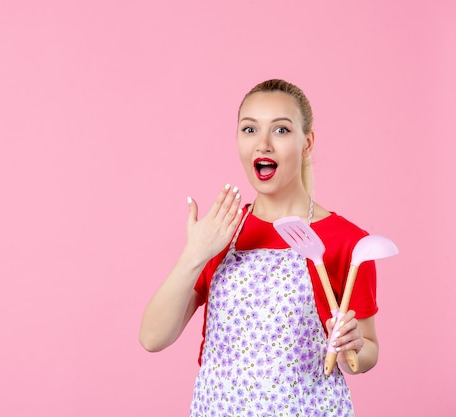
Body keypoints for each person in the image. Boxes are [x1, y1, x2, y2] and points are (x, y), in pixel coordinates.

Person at [139, 79, 379, 417]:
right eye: (249, 129)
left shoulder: (346, 241)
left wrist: (350, 350)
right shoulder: (221, 231)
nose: (262, 144)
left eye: (280, 131)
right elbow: (153, 338)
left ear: (306, 143)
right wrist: (194, 255)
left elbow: (367, 352)